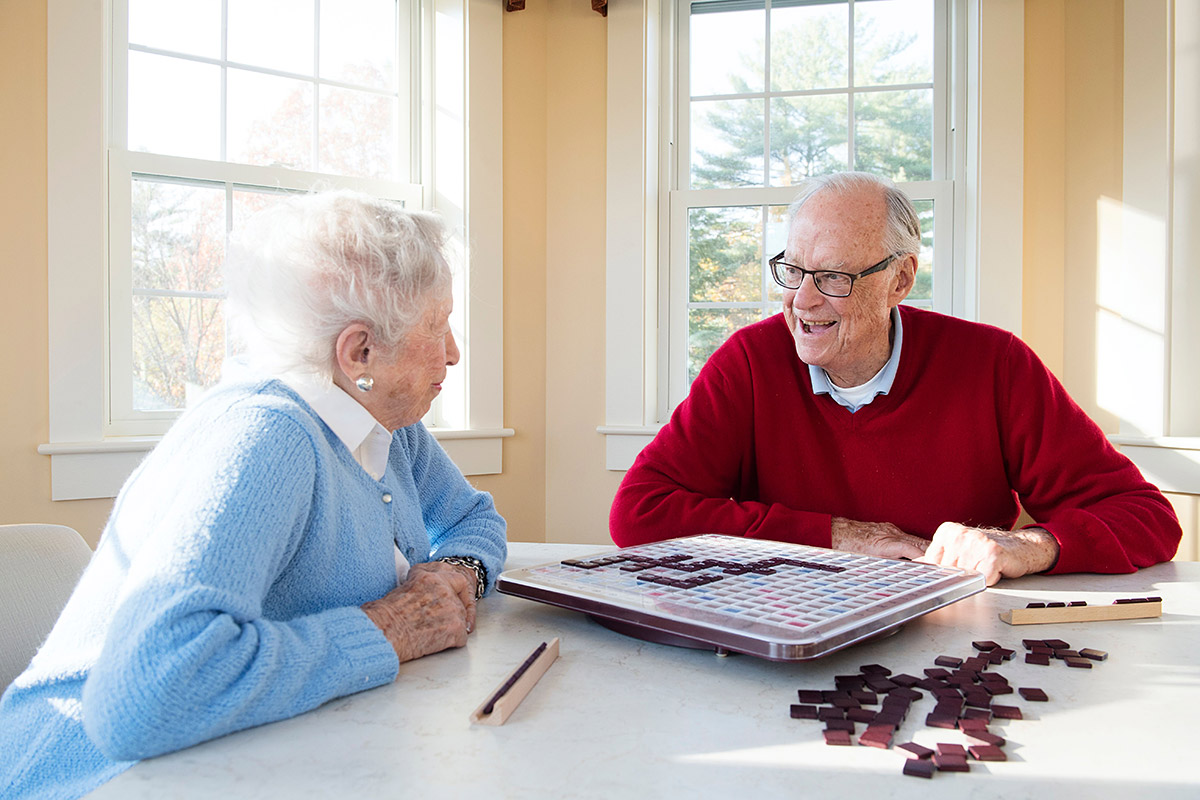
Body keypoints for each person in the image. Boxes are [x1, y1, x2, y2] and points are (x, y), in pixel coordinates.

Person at [0, 191, 507, 799]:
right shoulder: (267, 435)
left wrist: (455, 571)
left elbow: (473, 519)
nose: (453, 351)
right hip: (93, 778)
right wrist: (390, 627)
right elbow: (148, 693)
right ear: (360, 353)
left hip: (250, 755)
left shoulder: (387, 426)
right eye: (437, 324)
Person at [610, 172, 1180, 584]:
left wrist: (1026, 545)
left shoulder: (995, 364)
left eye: (833, 276)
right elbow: (639, 512)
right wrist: (839, 536)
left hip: (958, 629)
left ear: (900, 280)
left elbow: (1147, 518)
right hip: (787, 626)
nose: (801, 301)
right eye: (792, 270)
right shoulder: (750, 361)